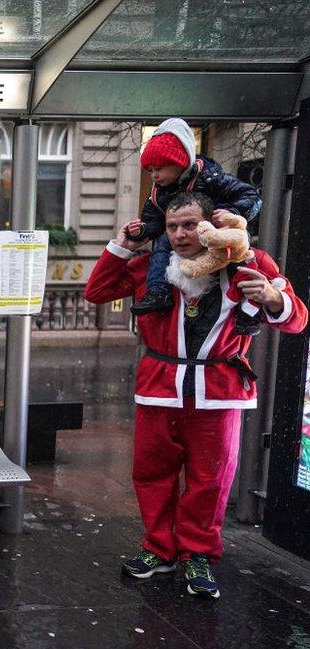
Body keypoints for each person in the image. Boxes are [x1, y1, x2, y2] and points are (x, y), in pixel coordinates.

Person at [84, 193, 307, 600]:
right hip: (159, 389)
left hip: (220, 393)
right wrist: (122, 245)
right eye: (172, 227)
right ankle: (158, 548)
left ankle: (198, 554)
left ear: (210, 226)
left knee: (211, 481)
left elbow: (297, 320)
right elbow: (96, 291)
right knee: (152, 474)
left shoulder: (251, 264)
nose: (181, 235)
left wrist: (276, 300)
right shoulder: (150, 266)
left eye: (190, 225)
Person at [128, 118, 263, 337]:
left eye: (159, 169)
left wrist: (232, 215)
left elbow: (250, 196)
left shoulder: (210, 177)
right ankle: (159, 290)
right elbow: (152, 219)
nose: (154, 176)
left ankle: (250, 312)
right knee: (162, 243)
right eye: (151, 170)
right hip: (198, 241)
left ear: (179, 162)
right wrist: (143, 230)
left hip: (219, 233)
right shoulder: (159, 191)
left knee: (242, 260)